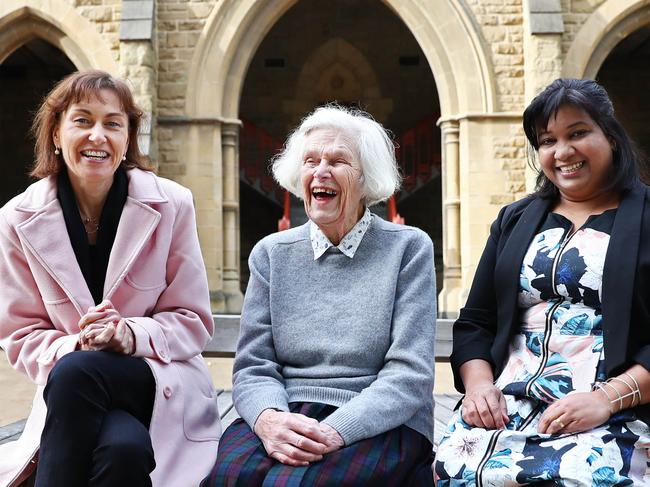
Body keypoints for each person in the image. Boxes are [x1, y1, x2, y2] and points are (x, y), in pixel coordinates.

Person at [0, 70, 221, 487]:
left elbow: (194, 322)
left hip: (158, 379)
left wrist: (129, 335)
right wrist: (77, 343)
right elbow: (21, 334)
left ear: (127, 140)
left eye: (112, 124)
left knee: (77, 373)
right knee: (123, 449)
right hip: (76, 399)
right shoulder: (16, 220)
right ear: (55, 134)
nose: (97, 136)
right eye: (82, 120)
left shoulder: (172, 204)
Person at [203, 105, 437, 486]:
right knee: (228, 477)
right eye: (310, 160)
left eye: (338, 160)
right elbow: (253, 367)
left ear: (366, 178)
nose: (320, 171)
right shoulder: (271, 253)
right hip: (286, 411)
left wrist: (335, 430)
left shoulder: (408, 249)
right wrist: (269, 420)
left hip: (379, 416)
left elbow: (409, 376)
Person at [434, 78, 650, 486]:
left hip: (612, 403)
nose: (562, 152)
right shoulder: (514, 220)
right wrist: (479, 388)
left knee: (579, 474)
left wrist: (606, 399)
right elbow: (475, 322)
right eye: (547, 140)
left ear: (613, 138)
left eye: (578, 133)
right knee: (455, 468)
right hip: (507, 402)